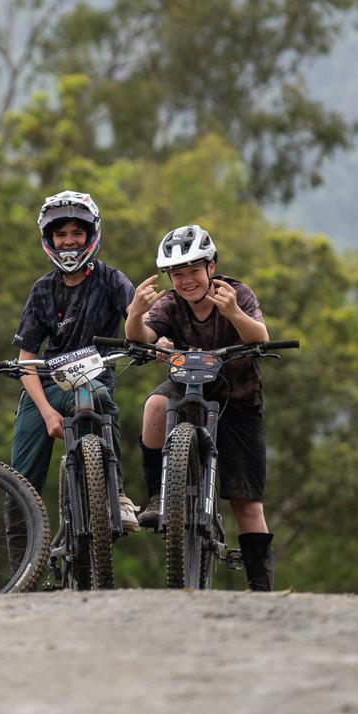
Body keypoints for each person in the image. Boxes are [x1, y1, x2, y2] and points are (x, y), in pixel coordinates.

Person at [125, 224, 276, 591]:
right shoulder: (169, 304)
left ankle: (261, 588)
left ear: (211, 268)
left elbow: (261, 336)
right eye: (178, 274)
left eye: (194, 270)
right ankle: (159, 495)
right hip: (185, 388)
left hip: (237, 400)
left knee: (246, 502)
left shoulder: (235, 293)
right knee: (154, 407)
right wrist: (135, 314)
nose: (187, 280)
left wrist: (234, 314)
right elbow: (141, 337)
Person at [9, 190, 140, 532]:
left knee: (98, 398)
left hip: (92, 381)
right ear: (49, 239)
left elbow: (139, 324)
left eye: (76, 233)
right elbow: (26, 361)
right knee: (19, 488)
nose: (69, 242)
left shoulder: (112, 280)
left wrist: (153, 333)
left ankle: (118, 496)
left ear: (91, 235)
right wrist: (47, 411)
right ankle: (23, 579)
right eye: (60, 234)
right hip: (46, 387)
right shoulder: (42, 290)